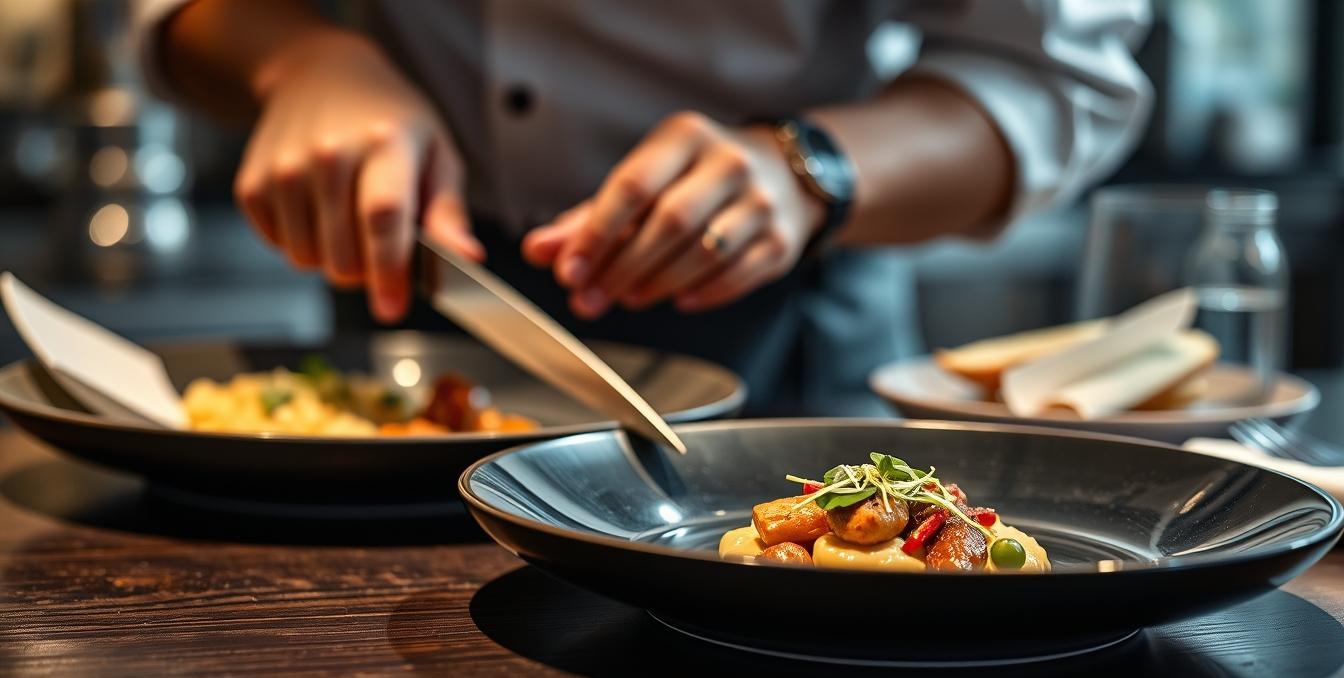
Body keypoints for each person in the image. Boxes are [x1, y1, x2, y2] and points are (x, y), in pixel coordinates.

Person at [138, 0, 1151, 414]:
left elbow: (1056, 69)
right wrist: (301, 55)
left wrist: (810, 171)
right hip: (425, 312)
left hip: (787, 327)